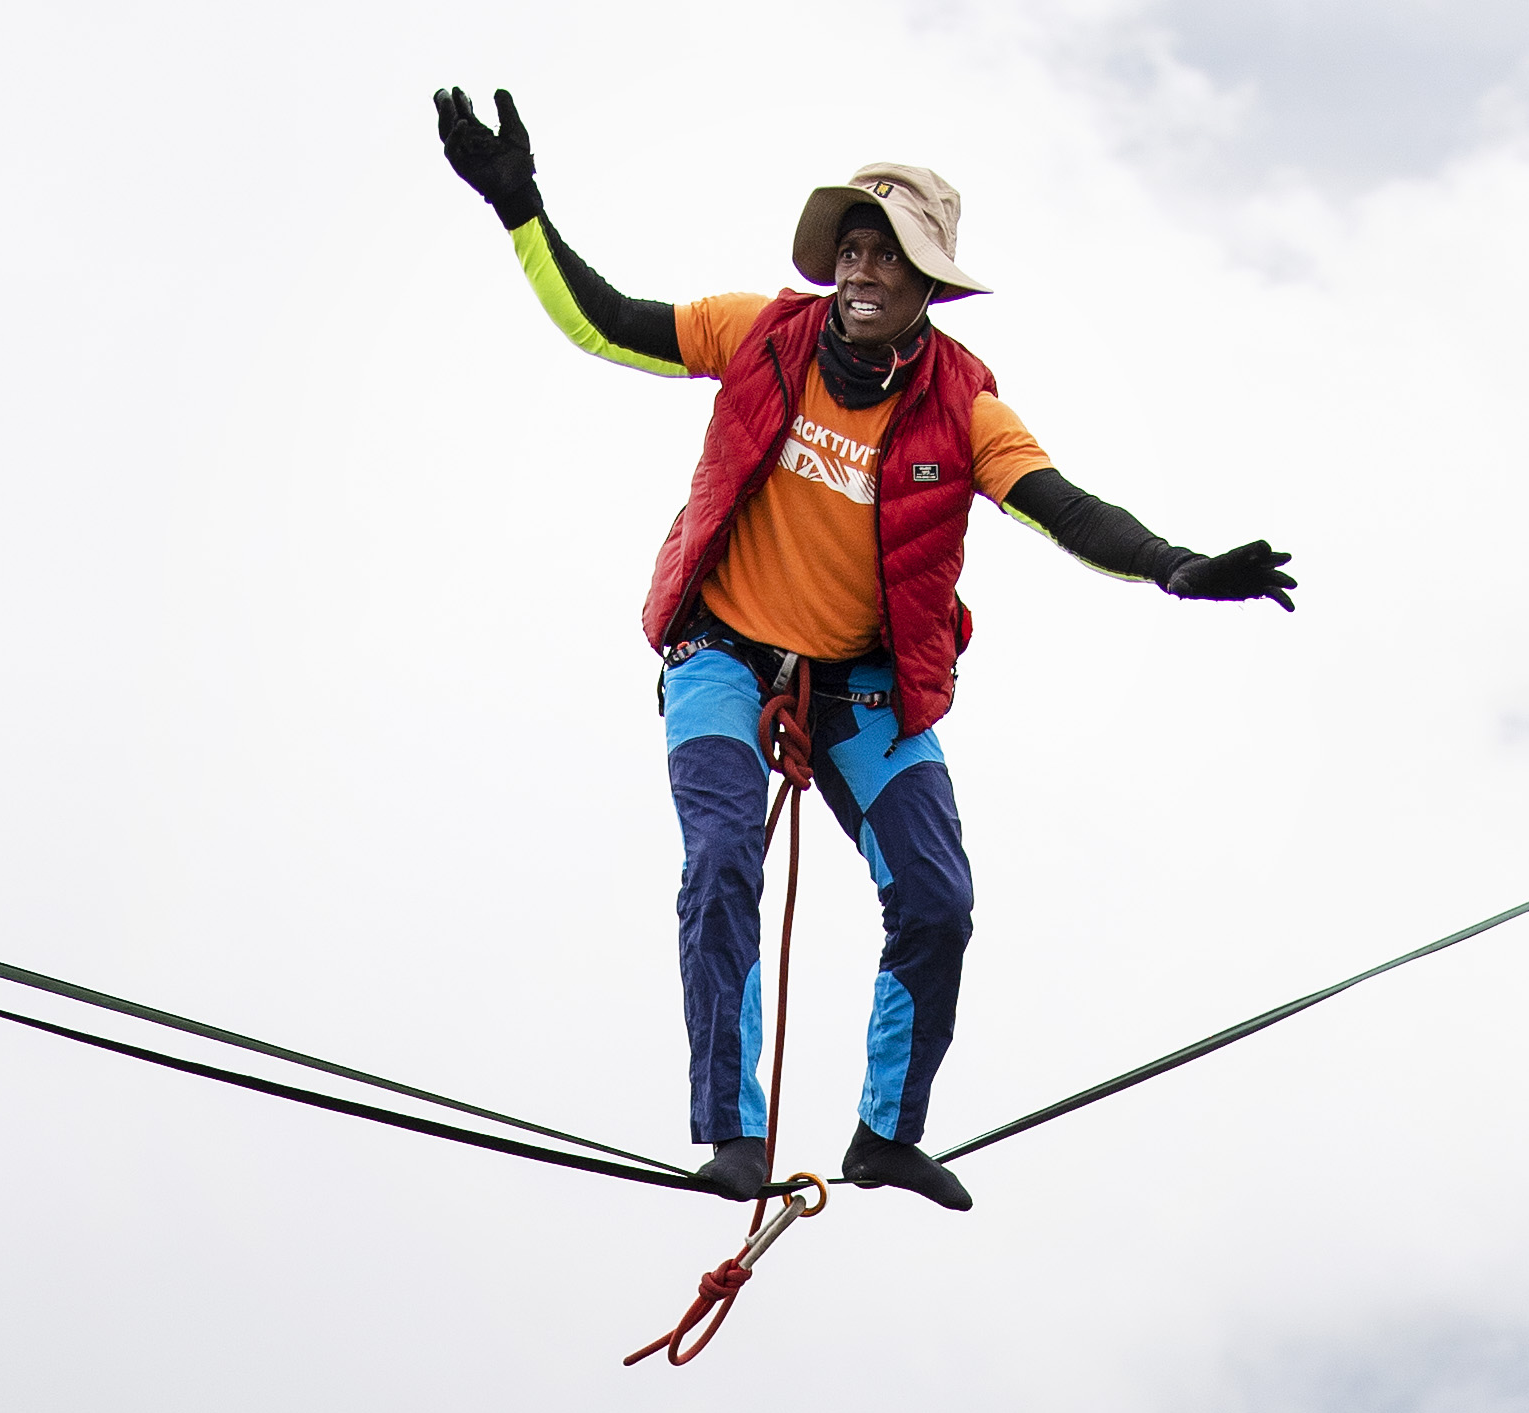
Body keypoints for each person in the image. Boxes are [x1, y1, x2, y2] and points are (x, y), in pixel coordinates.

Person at [431, 97, 1295, 1210]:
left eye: (891, 256)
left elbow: (1063, 508)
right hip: (721, 656)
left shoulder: (965, 409)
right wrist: (521, 209)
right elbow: (602, 323)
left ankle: (886, 1135)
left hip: (863, 686)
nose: (865, 270)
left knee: (939, 902)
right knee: (722, 863)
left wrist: (1176, 565)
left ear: (929, 284)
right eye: (854, 248)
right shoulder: (760, 334)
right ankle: (730, 1130)